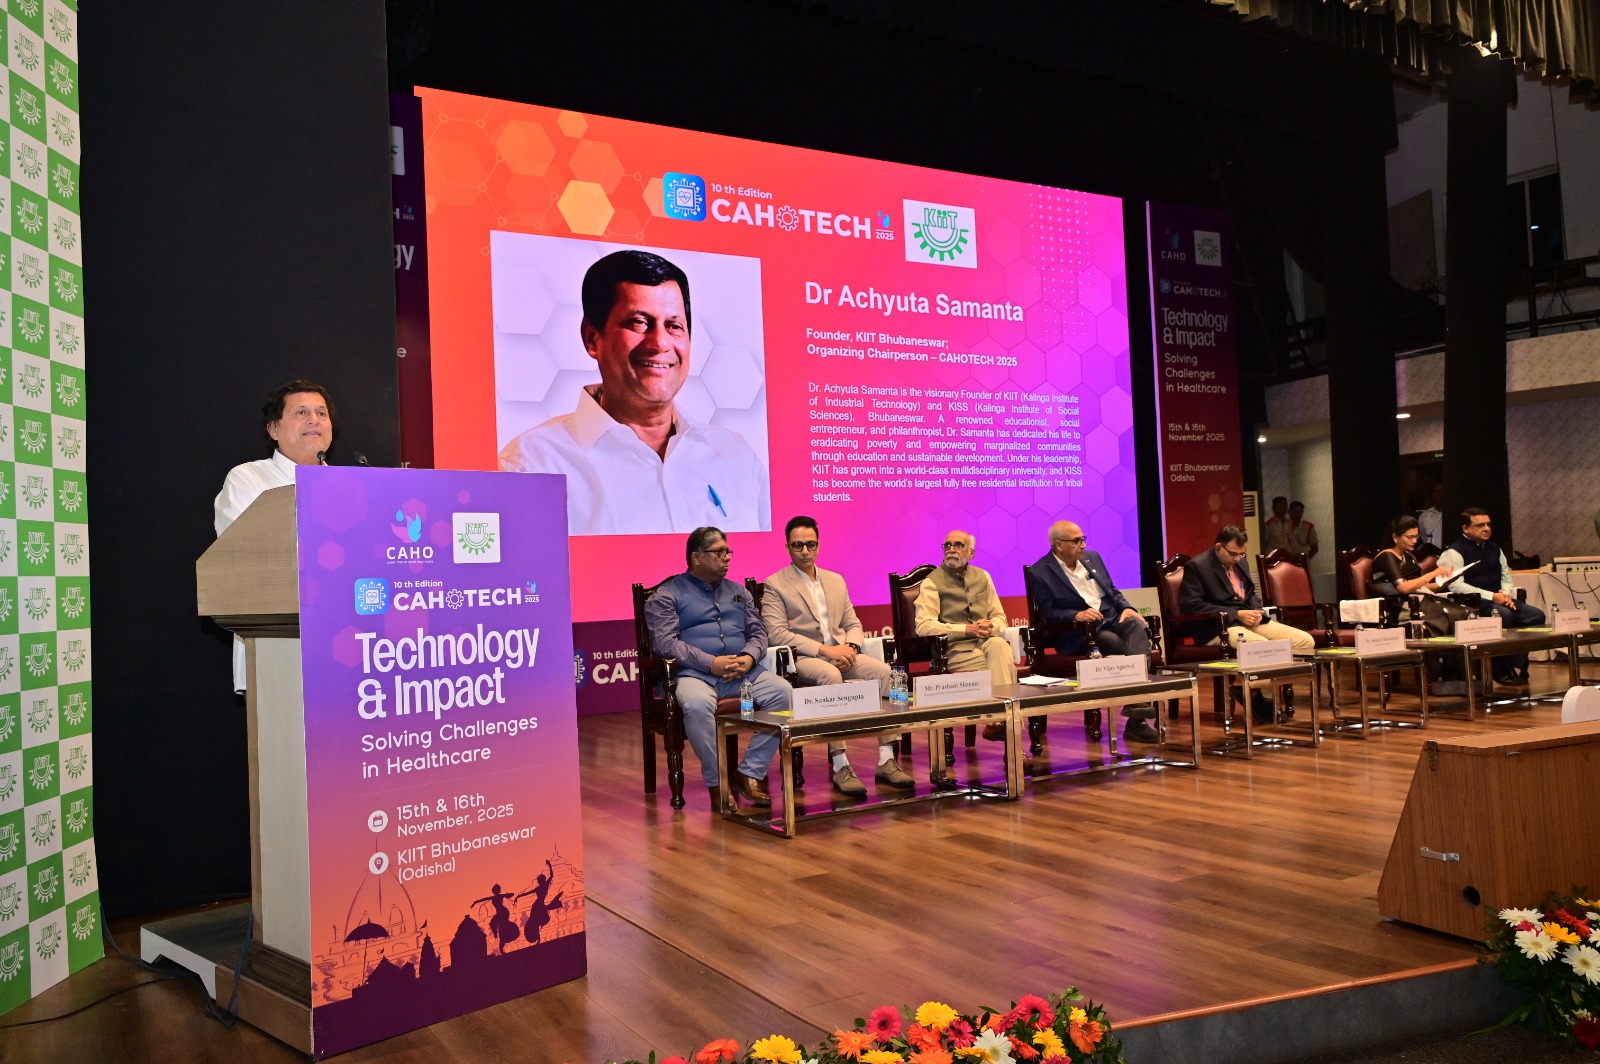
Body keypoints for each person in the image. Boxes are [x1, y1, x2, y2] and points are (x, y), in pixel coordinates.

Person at [498, 249, 770, 536]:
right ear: (592, 339)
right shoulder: (532, 467)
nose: (660, 343)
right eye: (639, 322)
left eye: (674, 326)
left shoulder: (737, 456)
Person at [760, 516, 910, 796]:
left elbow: (853, 624)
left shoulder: (835, 580)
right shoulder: (775, 584)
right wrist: (825, 650)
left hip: (842, 653)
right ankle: (840, 764)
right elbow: (777, 633)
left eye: (810, 544)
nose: (805, 551)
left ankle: (887, 759)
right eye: (797, 545)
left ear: (818, 545)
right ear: (787, 547)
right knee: (830, 675)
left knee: (886, 674)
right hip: (805, 658)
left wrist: (850, 648)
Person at [644, 526, 788, 808]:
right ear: (696, 557)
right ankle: (718, 782)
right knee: (697, 705)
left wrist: (749, 657)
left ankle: (749, 773)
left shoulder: (739, 592)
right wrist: (710, 664)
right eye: (719, 552)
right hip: (694, 675)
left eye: (728, 551)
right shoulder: (666, 596)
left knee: (783, 693)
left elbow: (759, 633)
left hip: (743, 671)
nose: (727, 558)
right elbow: (665, 643)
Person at [214, 380, 335, 692]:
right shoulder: (248, 479)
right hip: (276, 646)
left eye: (321, 413)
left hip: (348, 644)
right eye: (301, 413)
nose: (314, 420)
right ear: (273, 429)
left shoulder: (349, 484)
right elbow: (247, 556)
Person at [1024, 520, 1157, 744]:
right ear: (1059, 545)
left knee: (1137, 626)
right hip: (1081, 631)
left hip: (1111, 616)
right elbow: (1050, 612)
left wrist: (1128, 608)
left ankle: (1137, 709)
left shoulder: (1092, 558)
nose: (1083, 545)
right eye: (1077, 541)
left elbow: (1112, 591)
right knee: (1118, 644)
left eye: (1083, 539)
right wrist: (1076, 615)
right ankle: (1138, 718)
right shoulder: (1040, 572)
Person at [1179, 525, 1315, 723]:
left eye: (1242, 554)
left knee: (1305, 642)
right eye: (1233, 554)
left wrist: (1256, 610)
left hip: (1249, 620)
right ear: (1219, 547)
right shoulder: (1197, 566)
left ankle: (1250, 689)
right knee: (1263, 648)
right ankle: (1264, 700)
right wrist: (1236, 614)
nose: (1237, 559)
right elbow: (1191, 605)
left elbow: (1250, 594)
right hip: (1220, 627)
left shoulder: (1241, 562)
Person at [1437, 508, 1545, 687]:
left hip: (1498, 598)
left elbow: (1506, 577)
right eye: (1479, 525)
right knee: (1504, 615)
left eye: (1488, 524)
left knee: (1535, 615)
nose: (1486, 528)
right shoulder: (1454, 552)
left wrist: (1506, 594)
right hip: (1472, 603)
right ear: (1466, 529)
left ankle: (1513, 662)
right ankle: (1500, 668)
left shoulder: (1495, 549)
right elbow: (1456, 585)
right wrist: (1492, 596)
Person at [1372, 515, 1469, 687]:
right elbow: (1403, 588)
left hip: (1419, 601)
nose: (1414, 540)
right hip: (1398, 607)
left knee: (1461, 612)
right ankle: (1438, 679)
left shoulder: (1409, 557)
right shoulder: (1386, 556)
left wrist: (1447, 581)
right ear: (1395, 537)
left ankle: (1461, 678)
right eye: (1410, 537)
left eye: (1416, 536)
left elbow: (1423, 587)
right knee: (1442, 616)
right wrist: (1432, 573)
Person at [914, 530, 1019, 687]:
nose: (951, 549)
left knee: (1000, 645)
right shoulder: (931, 582)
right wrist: (965, 630)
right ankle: (1004, 702)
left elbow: (999, 616)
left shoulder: (983, 576)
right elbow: (924, 626)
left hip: (984, 643)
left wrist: (990, 627)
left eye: (959, 545)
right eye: (947, 545)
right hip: (953, 651)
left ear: (972, 553)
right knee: (1001, 662)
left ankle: (997, 702)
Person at [1416, 482, 1446, 547]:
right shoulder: (1424, 516)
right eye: (1435, 491)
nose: (1438, 494)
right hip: (1431, 551)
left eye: (1440, 490)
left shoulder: (1452, 515)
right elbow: (1424, 538)